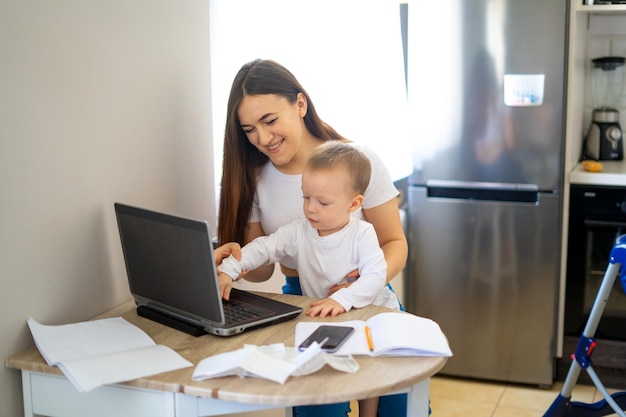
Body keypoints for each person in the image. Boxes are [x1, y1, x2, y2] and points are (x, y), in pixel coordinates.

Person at [216, 59, 408, 417]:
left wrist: (358, 290)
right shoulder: (253, 179)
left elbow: (395, 243)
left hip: (371, 296)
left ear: (300, 105)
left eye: (270, 120)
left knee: (397, 407)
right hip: (304, 298)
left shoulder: (359, 160)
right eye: (249, 129)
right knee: (321, 411)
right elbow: (261, 267)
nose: (262, 137)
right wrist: (233, 258)